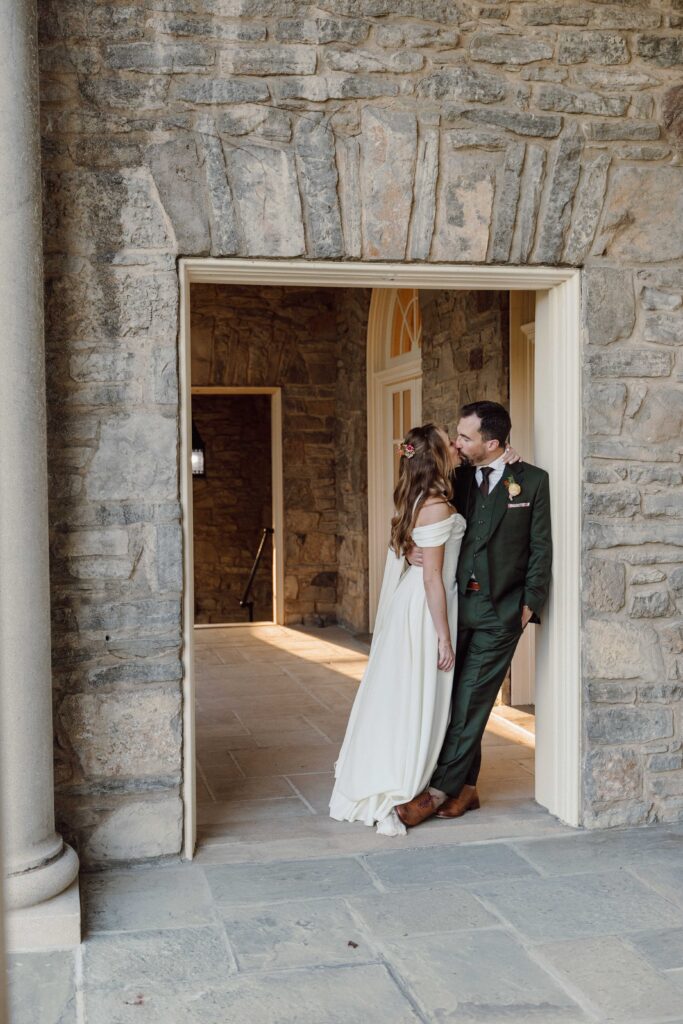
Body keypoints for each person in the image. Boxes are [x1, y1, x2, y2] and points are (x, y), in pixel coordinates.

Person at [396, 401, 552, 828]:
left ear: (494, 443)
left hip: (502, 611)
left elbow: (541, 548)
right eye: (458, 436)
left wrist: (529, 603)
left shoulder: (533, 481)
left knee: (470, 700)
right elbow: (420, 502)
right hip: (454, 605)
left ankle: (437, 792)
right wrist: (411, 548)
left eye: (466, 437)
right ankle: (467, 787)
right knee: (454, 699)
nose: (458, 443)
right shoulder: (457, 477)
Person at [329, 423, 466, 836]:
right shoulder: (438, 505)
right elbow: (433, 579)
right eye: (449, 440)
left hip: (414, 602)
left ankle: (398, 763)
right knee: (419, 693)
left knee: (404, 692)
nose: (455, 445)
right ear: (437, 455)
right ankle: (404, 774)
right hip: (426, 610)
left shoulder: (418, 497)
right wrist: (443, 635)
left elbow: (417, 559)